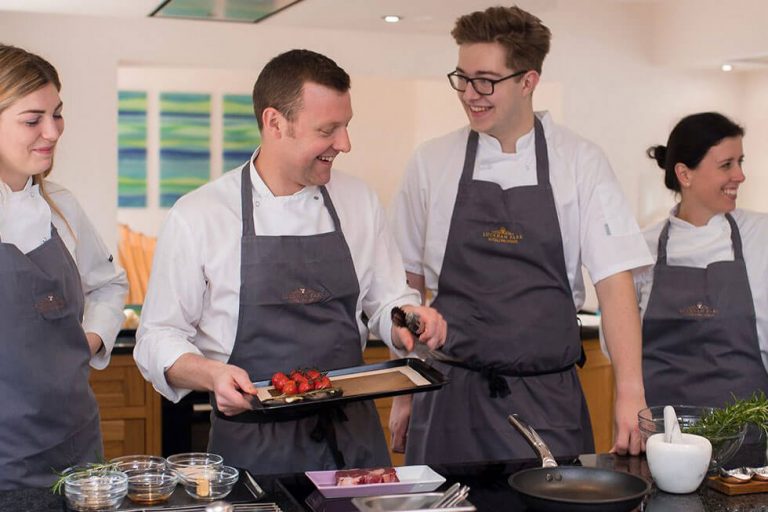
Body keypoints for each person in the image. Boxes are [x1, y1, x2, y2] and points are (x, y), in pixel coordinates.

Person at [134, 49, 446, 475]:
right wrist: (210, 375)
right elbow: (157, 337)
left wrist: (407, 317)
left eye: (346, 126)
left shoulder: (359, 201)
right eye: (327, 130)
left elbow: (387, 299)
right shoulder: (199, 215)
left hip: (353, 444)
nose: (345, 144)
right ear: (274, 122)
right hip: (252, 449)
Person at [389, 5, 653, 464]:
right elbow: (408, 285)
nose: (471, 94)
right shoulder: (431, 162)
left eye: (486, 80)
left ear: (528, 81)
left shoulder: (581, 163)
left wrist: (631, 393)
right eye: (462, 78)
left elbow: (615, 288)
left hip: (547, 400)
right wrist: (404, 388)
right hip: (448, 398)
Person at [0, 44, 128, 490]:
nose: (53, 131)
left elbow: (109, 286)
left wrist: (90, 339)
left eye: (57, 113)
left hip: (78, 449)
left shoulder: (62, 208)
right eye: (33, 119)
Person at [640, 113, 768, 413]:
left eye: (741, 161)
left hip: (747, 435)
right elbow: (618, 346)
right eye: (727, 165)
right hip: (662, 436)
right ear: (685, 174)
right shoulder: (642, 248)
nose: (740, 175)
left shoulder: (760, 236)